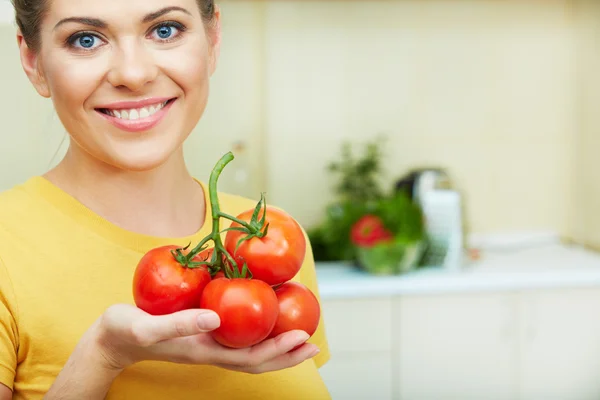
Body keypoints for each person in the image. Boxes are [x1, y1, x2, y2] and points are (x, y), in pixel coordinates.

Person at [0, 0, 331, 398]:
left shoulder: (276, 239)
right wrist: (102, 355)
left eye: (164, 30)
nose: (134, 74)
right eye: (85, 39)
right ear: (33, 63)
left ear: (212, 41)